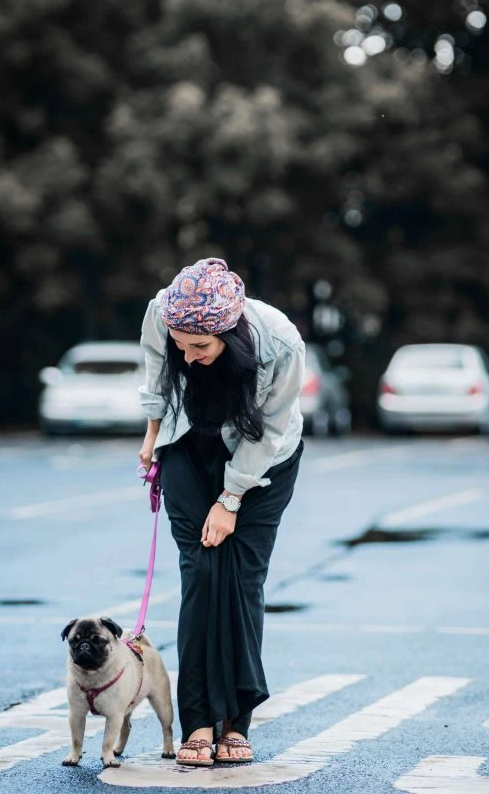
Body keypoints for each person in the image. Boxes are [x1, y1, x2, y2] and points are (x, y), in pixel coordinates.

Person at [138, 257, 305, 766]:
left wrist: (230, 500)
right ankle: (198, 722)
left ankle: (236, 722)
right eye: (180, 344)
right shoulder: (162, 313)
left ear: (229, 335)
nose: (186, 356)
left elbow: (272, 430)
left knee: (240, 579)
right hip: (188, 444)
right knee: (202, 573)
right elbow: (157, 372)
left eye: (200, 347)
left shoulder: (280, 343)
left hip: (265, 460)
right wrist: (151, 435)